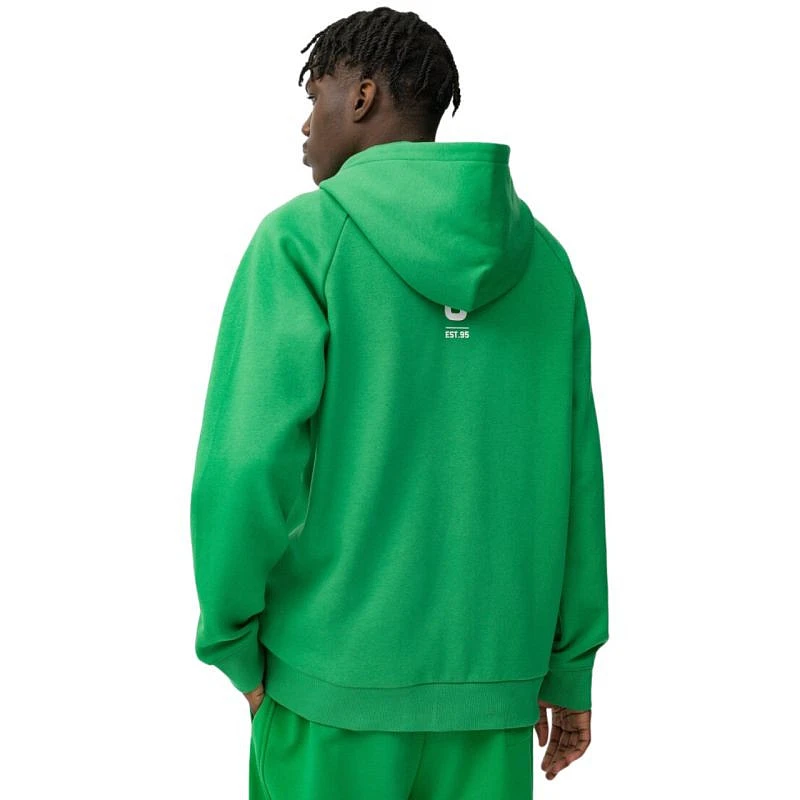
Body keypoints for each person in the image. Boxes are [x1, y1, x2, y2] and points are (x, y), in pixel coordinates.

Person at [189, 6, 609, 799]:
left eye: (315, 94)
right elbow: (576, 478)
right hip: (494, 694)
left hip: (329, 687)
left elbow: (243, 465)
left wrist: (232, 641)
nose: (305, 124)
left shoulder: (301, 241)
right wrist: (570, 666)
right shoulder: (545, 265)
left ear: (362, 96)